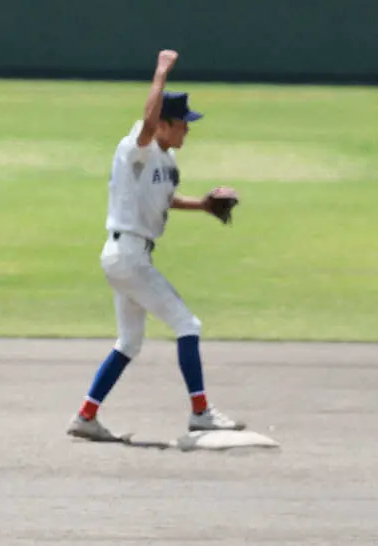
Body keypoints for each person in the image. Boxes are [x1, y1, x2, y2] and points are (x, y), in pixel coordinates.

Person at [66, 49, 245, 441]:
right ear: (163, 124)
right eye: (182, 123)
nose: (187, 130)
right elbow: (147, 120)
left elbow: (163, 200)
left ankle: (85, 416)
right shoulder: (137, 148)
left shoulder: (167, 160)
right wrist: (161, 71)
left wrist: (202, 205)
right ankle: (201, 412)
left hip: (126, 256)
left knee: (129, 343)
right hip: (128, 255)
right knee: (187, 325)